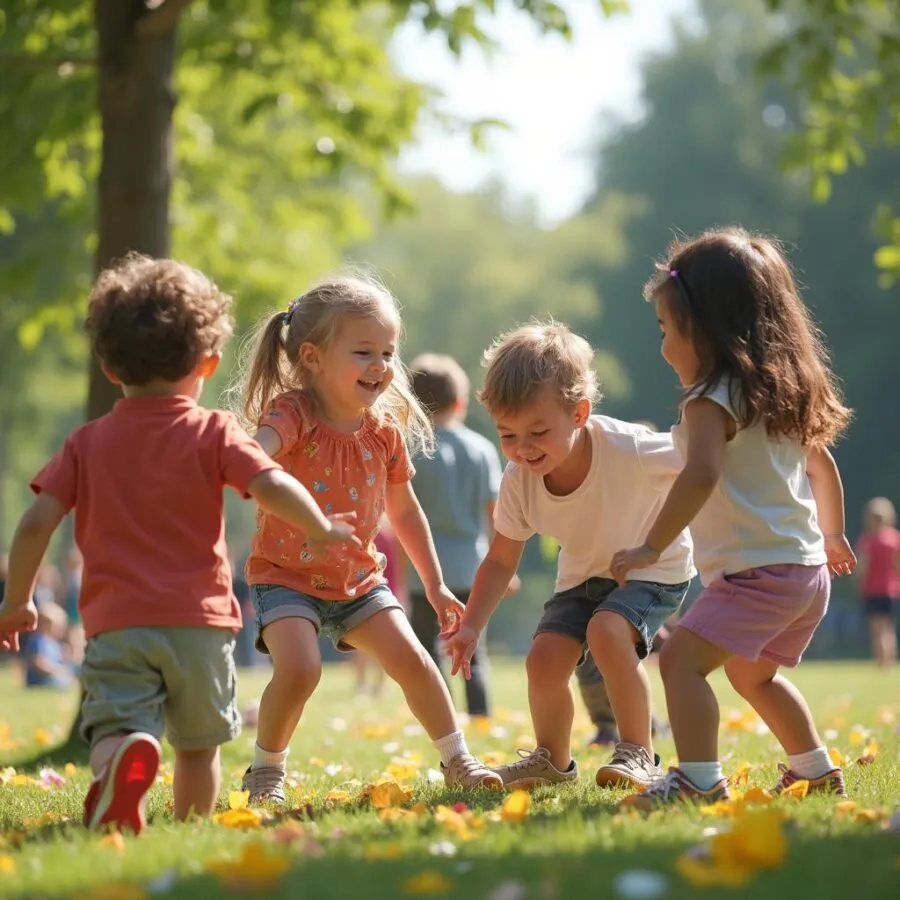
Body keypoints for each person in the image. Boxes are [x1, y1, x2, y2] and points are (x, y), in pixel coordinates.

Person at [0, 254, 357, 834]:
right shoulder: (212, 431)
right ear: (209, 362)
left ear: (109, 366)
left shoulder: (87, 442)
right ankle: (190, 831)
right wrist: (319, 525)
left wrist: (18, 600)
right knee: (199, 745)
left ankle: (121, 764)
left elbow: (37, 520)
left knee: (113, 726)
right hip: (201, 621)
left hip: (117, 622)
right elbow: (270, 481)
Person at [611, 227, 857, 809]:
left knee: (679, 661)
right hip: (805, 573)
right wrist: (834, 534)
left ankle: (698, 779)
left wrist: (649, 548)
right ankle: (815, 770)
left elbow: (700, 475)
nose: (665, 345)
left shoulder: (709, 400)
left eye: (668, 330)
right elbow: (822, 468)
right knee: (753, 676)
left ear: (706, 328)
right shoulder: (778, 394)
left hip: (758, 576)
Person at [233, 275, 502, 804]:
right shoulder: (293, 414)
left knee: (416, 662)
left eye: (387, 352)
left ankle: (458, 759)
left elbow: (405, 512)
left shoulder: (383, 431)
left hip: (360, 582)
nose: (380, 365)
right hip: (285, 577)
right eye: (363, 352)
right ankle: (266, 770)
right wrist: (255, 470)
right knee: (301, 669)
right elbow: (253, 456)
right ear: (311, 357)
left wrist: (437, 585)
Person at [445, 320, 693, 790]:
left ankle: (639, 751)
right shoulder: (519, 481)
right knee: (542, 660)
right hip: (583, 576)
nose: (523, 449)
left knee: (607, 630)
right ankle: (552, 761)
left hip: (652, 568)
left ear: (579, 414)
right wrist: (473, 623)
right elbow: (500, 560)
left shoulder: (630, 449)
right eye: (508, 435)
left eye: (538, 431)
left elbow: (700, 462)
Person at [407, 352, 505, 719]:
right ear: (461, 401)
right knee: (473, 646)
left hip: (424, 570)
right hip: (473, 566)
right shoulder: (480, 449)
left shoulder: (412, 449)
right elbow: (495, 514)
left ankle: (442, 714)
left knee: (426, 647)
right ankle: (480, 713)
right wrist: (504, 567)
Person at [856, 497, 900, 669]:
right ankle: (888, 662)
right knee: (888, 628)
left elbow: (862, 568)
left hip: (872, 590)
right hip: (892, 591)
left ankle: (881, 663)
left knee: (877, 629)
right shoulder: (895, 539)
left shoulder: (867, 541)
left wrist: (858, 583)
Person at [22, 602, 75, 689]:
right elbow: (37, 662)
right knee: (63, 682)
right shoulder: (38, 640)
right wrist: (55, 670)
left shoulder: (53, 642)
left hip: (51, 675)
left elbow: (61, 658)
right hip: (40, 679)